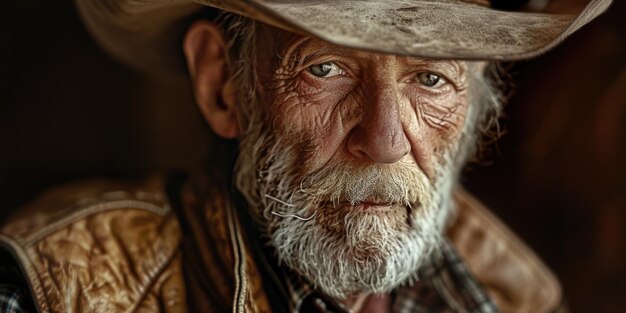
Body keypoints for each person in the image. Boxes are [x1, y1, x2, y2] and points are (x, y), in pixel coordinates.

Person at [0, 0, 612, 312]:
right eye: (326, 68)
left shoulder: (515, 299)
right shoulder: (51, 291)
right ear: (223, 85)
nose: (384, 141)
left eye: (430, 81)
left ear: (476, 108)